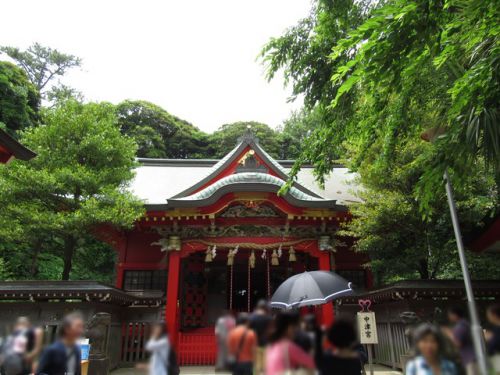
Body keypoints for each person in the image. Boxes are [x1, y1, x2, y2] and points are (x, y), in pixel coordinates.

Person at [265, 311, 315, 375]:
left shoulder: (271, 346)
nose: (296, 331)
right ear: (289, 328)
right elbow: (311, 362)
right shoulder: (287, 346)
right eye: (295, 327)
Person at [447, 307, 478, 375]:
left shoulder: (460, 326)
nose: (449, 317)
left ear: (454, 315)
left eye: (450, 315)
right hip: (474, 356)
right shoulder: (466, 324)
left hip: (470, 358)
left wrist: (449, 335)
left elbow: (458, 343)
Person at [250, 300, 272, 375]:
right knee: (266, 365)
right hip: (265, 343)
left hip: (254, 343)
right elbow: (270, 331)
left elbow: (249, 331)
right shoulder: (268, 318)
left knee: (256, 365)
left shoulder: (252, 318)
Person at [486, 304, 500, 372]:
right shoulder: (495, 328)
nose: (488, 317)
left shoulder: (497, 329)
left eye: (489, 315)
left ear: (494, 315)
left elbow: (496, 343)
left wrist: (491, 338)